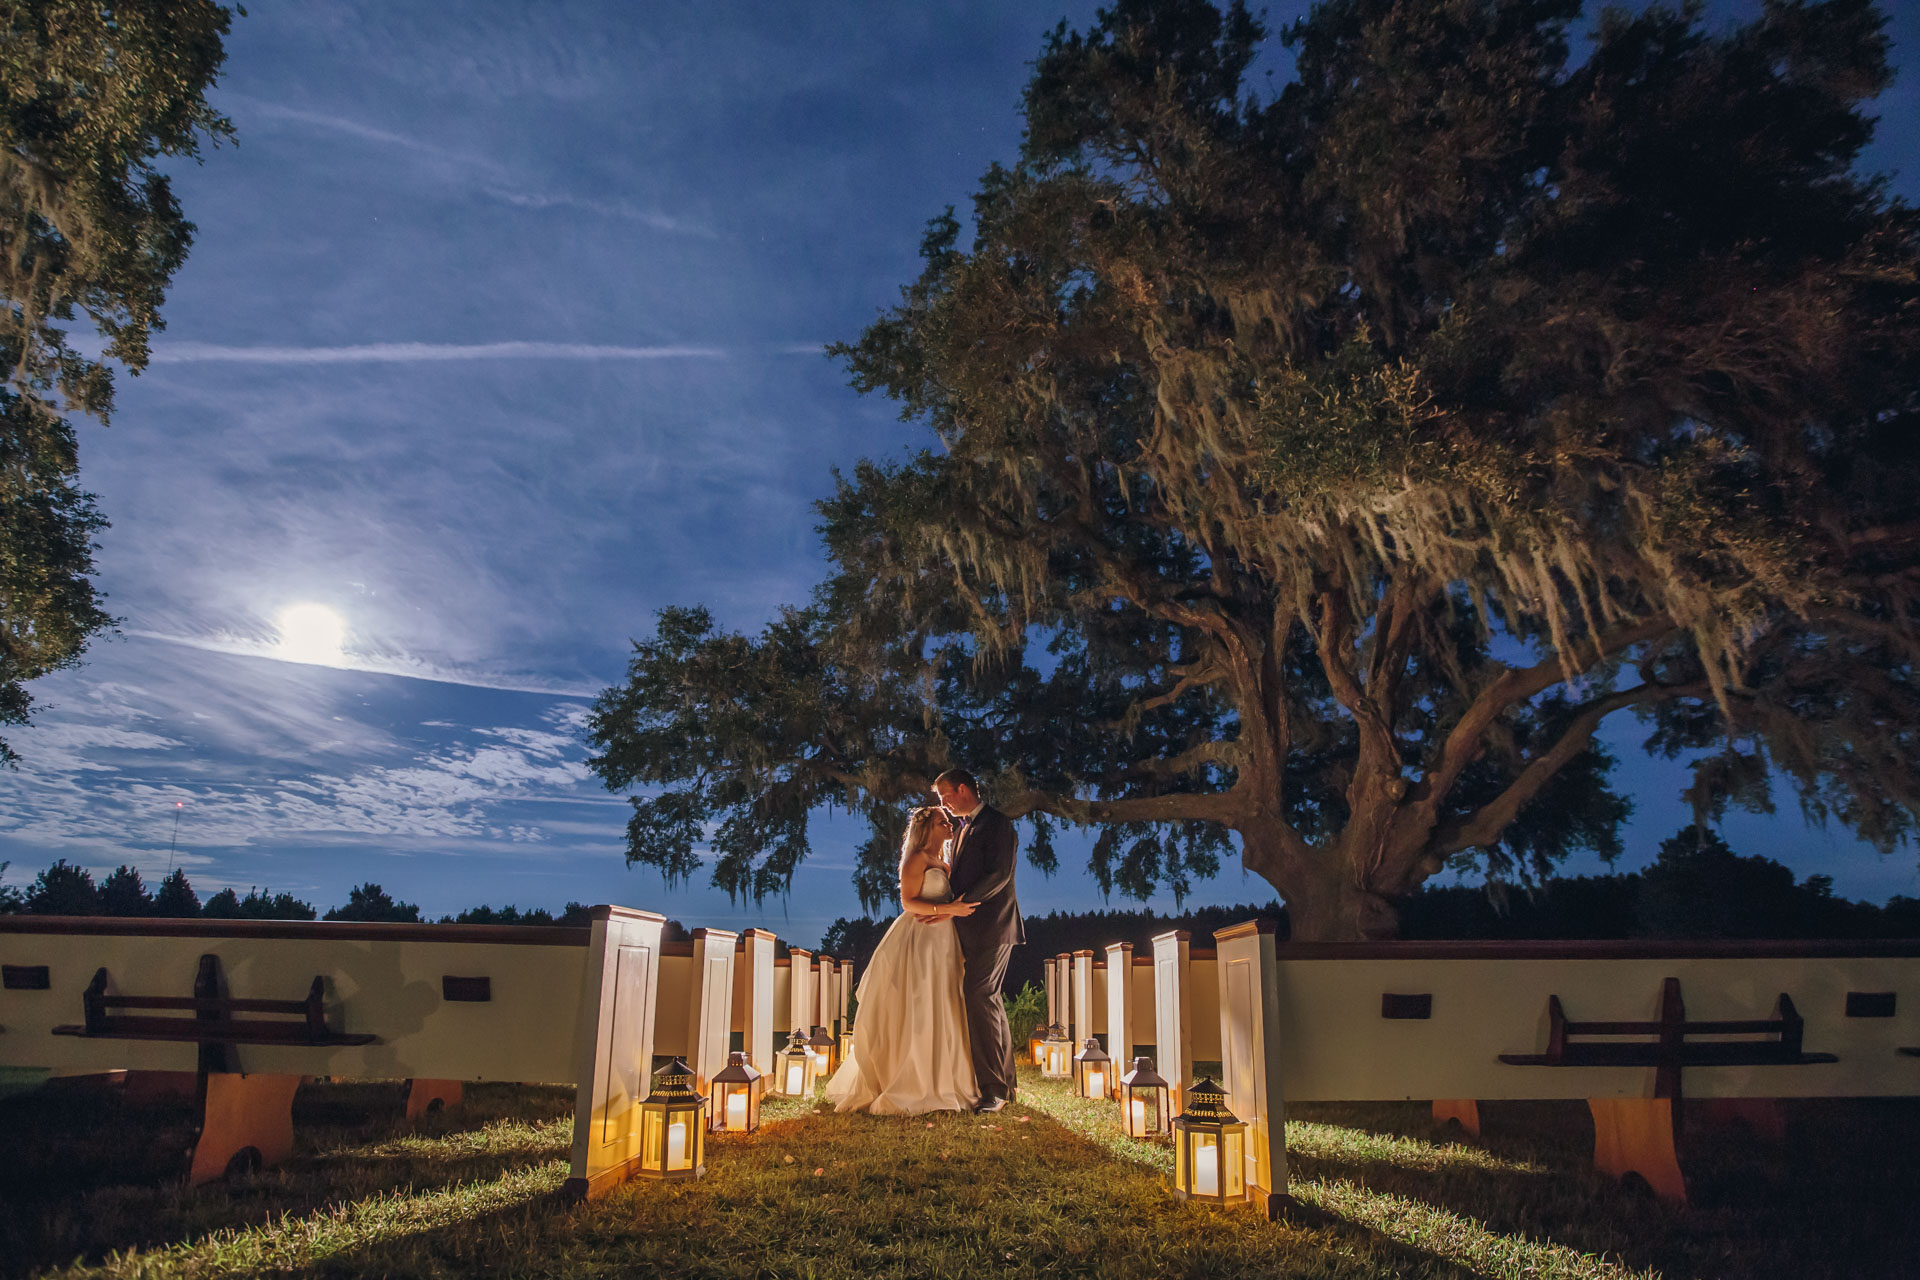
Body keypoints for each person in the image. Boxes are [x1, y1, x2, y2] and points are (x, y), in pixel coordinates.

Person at [823, 805, 980, 1114]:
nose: (949, 826)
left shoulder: (944, 862)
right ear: (928, 829)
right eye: (942, 822)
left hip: (946, 941)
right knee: (921, 1001)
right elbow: (909, 902)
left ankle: (948, 1077)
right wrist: (948, 911)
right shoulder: (916, 860)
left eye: (949, 822)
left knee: (947, 1001)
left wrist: (952, 912)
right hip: (920, 939)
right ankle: (912, 1080)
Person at [931, 766, 1024, 1112]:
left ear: (962, 789)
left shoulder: (998, 824)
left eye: (945, 796)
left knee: (979, 994)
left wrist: (962, 904)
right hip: (968, 928)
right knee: (990, 999)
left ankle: (993, 1091)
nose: (943, 804)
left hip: (993, 925)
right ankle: (1006, 1083)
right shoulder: (960, 831)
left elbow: (1000, 874)